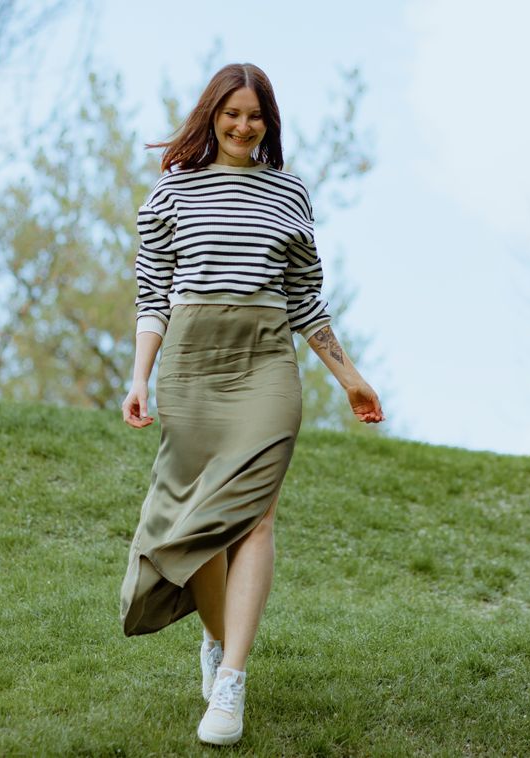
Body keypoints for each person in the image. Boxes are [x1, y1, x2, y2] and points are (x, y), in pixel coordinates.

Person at [118, 62, 385, 746]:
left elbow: (304, 298)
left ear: (269, 122)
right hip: (190, 362)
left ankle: (230, 680)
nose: (243, 126)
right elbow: (152, 298)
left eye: (255, 115)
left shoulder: (289, 191)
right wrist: (138, 378)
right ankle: (213, 639)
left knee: (255, 521)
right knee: (203, 522)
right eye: (232, 113)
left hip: (265, 361)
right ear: (211, 114)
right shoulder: (170, 195)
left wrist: (348, 376)